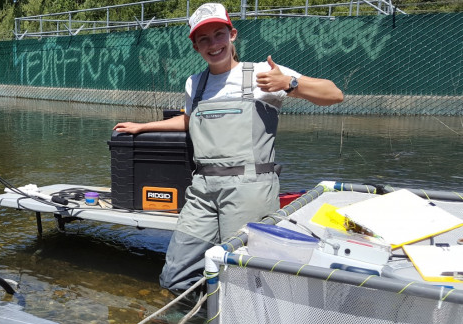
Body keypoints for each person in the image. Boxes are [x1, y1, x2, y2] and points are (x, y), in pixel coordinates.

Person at [113, 3, 344, 292]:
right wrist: (143, 127)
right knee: (176, 275)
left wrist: (289, 83)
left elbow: (334, 95)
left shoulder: (263, 73)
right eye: (204, 39)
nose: (213, 44)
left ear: (232, 34)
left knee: (245, 280)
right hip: (202, 189)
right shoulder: (194, 83)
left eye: (218, 34)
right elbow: (190, 121)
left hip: (250, 188)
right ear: (195, 46)